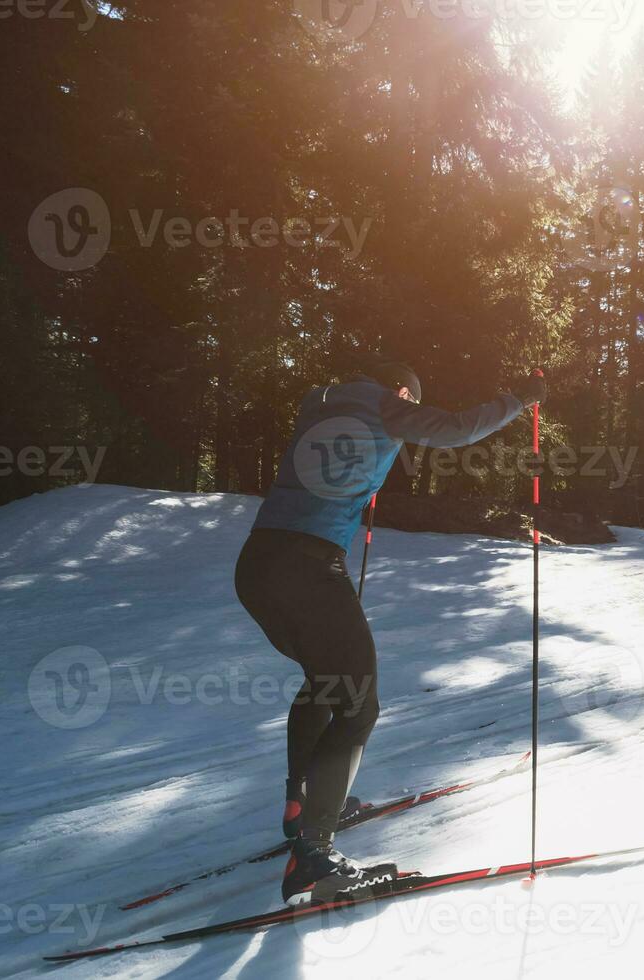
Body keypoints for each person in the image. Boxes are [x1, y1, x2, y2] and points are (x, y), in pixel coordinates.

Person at [234, 360, 546, 905]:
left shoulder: (319, 401)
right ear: (402, 391)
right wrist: (520, 397)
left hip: (257, 566)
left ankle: (299, 803)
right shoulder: (387, 403)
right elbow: (454, 429)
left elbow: (337, 456)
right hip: (309, 568)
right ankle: (312, 858)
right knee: (358, 703)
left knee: (325, 680)